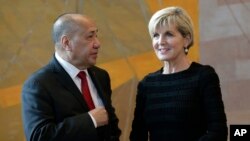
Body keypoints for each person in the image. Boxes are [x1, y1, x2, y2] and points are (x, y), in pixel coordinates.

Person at [130, 6, 228, 141]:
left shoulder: (204, 76)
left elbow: (218, 131)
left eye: (169, 34)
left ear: (186, 39)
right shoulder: (147, 84)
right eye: (156, 35)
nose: (160, 42)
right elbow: (137, 135)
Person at [21, 13, 121, 141]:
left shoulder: (101, 76)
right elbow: (39, 136)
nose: (97, 43)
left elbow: (112, 125)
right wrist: (90, 120)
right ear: (67, 43)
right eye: (90, 37)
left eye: (96, 35)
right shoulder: (38, 84)